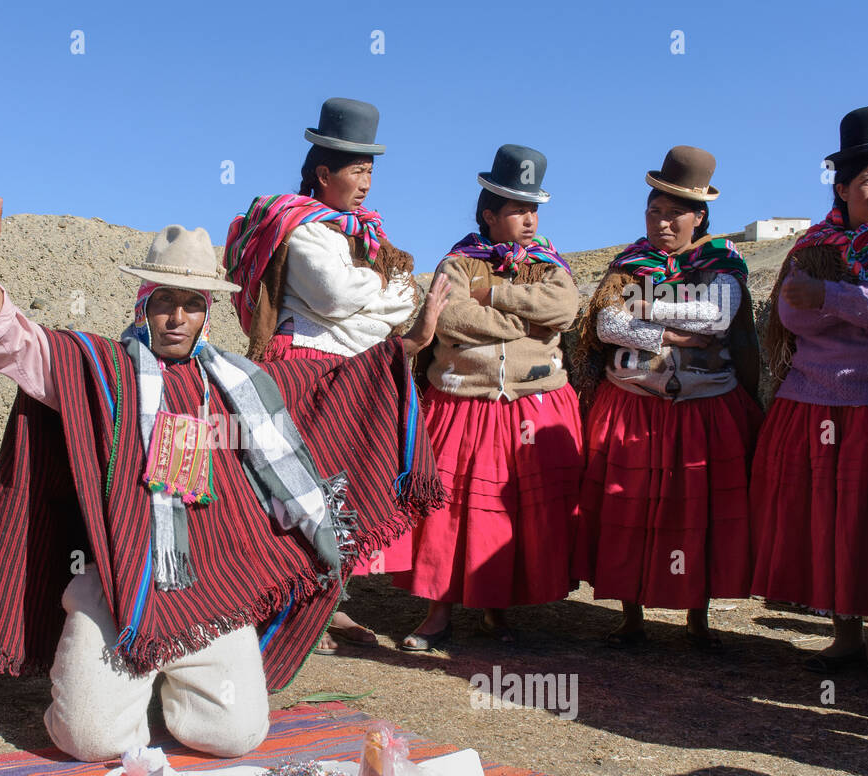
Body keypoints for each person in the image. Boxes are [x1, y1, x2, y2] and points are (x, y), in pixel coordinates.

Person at [0, 169, 446, 762]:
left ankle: (161, 686)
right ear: (144, 307)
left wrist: (406, 347)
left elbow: (333, 388)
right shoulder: (101, 373)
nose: (177, 317)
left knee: (233, 736)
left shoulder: (244, 384)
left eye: (190, 303)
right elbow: (15, 345)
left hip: (211, 596)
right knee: (91, 741)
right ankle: (107, 679)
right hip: (120, 590)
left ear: (207, 312)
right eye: (163, 303)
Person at [224, 97, 420, 654]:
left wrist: (372, 300)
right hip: (301, 372)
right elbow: (333, 296)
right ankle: (287, 607)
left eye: (371, 171)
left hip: (348, 372)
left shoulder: (360, 235)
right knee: (295, 493)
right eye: (357, 170)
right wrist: (380, 296)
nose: (366, 182)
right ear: (323, 173)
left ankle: (329, 606)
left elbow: (404, 302)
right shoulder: (299, 227)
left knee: (343, 489)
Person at [570, 146, 762, 649]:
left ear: (699, 217)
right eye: (654, 212)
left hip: (705, 405)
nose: (662, 223)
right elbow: (606, 323)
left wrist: (646, 308)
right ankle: (630, 612)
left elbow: (717, 317)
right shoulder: (629, 263)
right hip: (634, 402)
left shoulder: (722, 261)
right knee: (630, 507)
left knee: (696, 512)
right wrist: (669, 335)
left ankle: (697, 617)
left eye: (675, 214)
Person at [395, 145, 582, 649]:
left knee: (508, 510)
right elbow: (451, 318)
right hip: (463, 400)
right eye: (518, 210)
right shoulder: (457, 264)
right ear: (489, 215)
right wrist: (524, 324)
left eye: (534, 209)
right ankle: (438, 612)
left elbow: (563, 309)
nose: (529, 219)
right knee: (447, 510)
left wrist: (496, 297)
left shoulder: (548, 264)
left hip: (527, 403)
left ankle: (497, 608)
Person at [754, 105, 868, 674]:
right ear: (844, 186)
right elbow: (791, 316)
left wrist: (832, 300)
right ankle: (845, 635)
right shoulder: (814, 244)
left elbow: (814, 306)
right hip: (811, 403)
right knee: (827, 522)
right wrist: (857, 310)